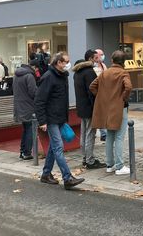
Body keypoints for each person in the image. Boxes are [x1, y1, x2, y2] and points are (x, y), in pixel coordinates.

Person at [35, 52, 85, 190]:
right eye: (66, 61)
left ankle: (46, 174)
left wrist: (64, 118)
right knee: (58, 147)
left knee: (53, 147)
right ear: (58, 63)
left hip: (59, 117)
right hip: (51, 118)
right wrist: (42, 121)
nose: (68, 64)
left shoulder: (62, 76)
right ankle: (67, 178)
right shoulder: (49, 77)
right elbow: (39, 100)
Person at [91, 50, 133, 176]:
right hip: (120, 108)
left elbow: (92, 86)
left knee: (109, 136)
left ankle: (110, 165)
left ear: (112, 60)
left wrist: (102, 97)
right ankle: (119, 166)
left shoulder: (105, 73)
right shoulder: (123, 72)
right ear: (123, 61)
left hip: (108, 108)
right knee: (119, 137)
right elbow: (129, 87)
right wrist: (123, 98)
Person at [74, 50, 105, 169]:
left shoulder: (78, 72)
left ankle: (85, 157)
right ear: (90, 59)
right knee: (90, 134)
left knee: (84, 133)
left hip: (81, 107)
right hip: (90, 108)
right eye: (96, 58)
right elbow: (92, 92)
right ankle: (90, 160)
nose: (98, 60)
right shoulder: (89, 72)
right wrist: (97, 108)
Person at [13, 59, 38, 160]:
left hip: (19, 106)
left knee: (25, 129)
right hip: (28, 107)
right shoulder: (29, 76)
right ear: (34, 67)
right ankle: (27, 152)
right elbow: (33, 92)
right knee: (30, 129)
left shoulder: (16, 75)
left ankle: (22, 151)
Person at [94, 48, 108, 141]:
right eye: (101, 54)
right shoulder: (93, 66)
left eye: (103, 54)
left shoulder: (103, 65)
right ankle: (102, 133)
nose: (102, 56)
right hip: (96, 92)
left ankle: (103, 133)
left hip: (104, 91)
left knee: (103, 113)